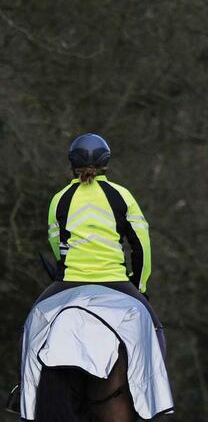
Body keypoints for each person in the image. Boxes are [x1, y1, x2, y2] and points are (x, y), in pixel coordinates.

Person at [37, 132, 165, 355]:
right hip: (115, 281)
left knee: (33, 325)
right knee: (155, 330)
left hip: (70, 282)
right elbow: (141, 247)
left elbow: (57, 245)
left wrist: (65, 269)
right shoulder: (122, 196)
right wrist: (139, 286)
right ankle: (158, 388)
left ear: (72, 163)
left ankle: (24, 387)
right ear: (106, 162)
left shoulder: (59, 199)